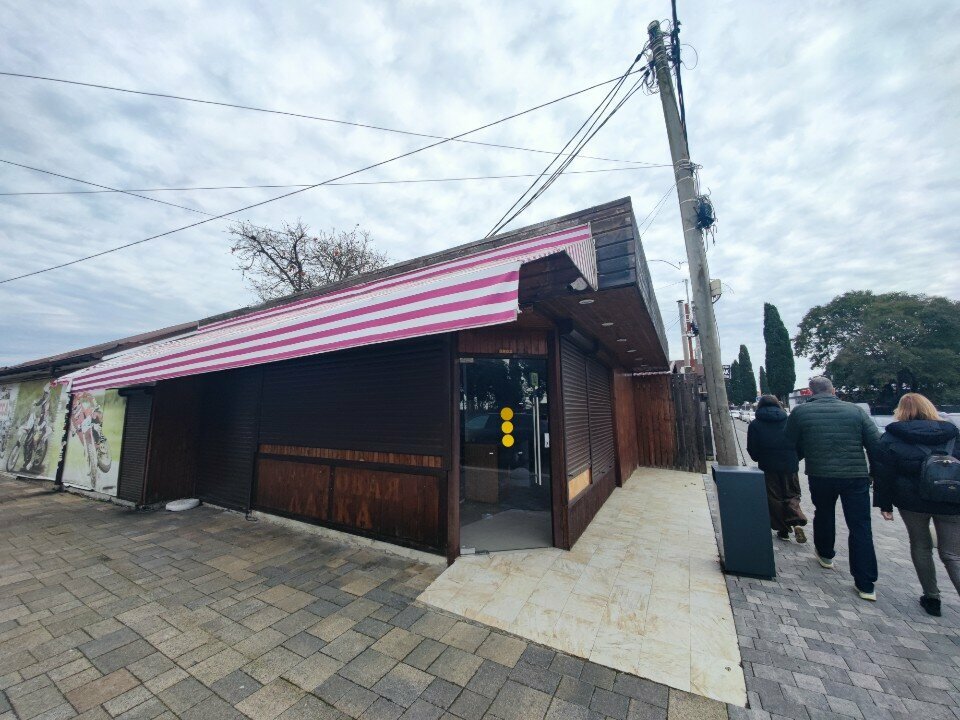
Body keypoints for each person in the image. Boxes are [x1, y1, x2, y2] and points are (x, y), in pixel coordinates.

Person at [785, 376, 881, 600]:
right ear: (833, 390)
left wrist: (800, 459)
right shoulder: (856, 411)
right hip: (855, 476)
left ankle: (825, 554)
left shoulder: (801, 413)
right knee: (860, 526)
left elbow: (790, 443)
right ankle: (866, 584)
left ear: (811, 392)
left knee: (824, 513)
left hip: (820, 474)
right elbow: (876, 444)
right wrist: (875, 475)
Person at [873, 393, 960, 617]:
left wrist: (884, 504)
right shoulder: (952, 433)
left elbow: (883, 472)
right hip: (951, 498)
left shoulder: (892, 436)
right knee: (952, 554)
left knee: (921, 546)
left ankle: (932, 597)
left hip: (912, 500)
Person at [747, 395, 807, 543]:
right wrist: (795, 457)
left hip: (768, 466)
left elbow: (753, 448)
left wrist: (758, 457)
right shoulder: (789, 421)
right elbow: (801, 443)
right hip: (790, 464)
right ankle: (797, 521)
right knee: (792, 494)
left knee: (774, 497)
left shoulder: (755, 424)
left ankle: (783, 530)